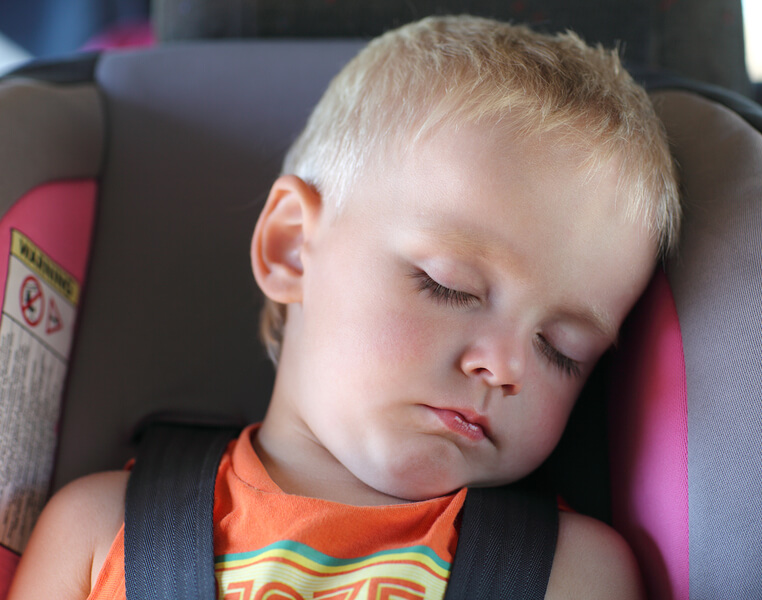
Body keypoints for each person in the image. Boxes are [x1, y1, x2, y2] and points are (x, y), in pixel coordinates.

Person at [9, 14, 680, 600]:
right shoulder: (102, 530)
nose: (506, 366)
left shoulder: (570, 574)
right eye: (449, 285)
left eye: (562, 349)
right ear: (293, 249)